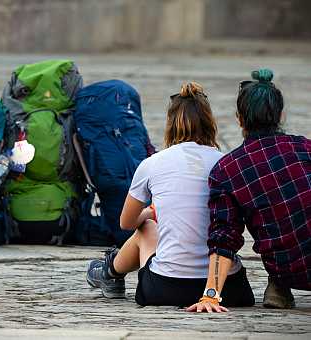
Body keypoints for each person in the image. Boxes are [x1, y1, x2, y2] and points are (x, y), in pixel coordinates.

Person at [86, 82, 255, 308]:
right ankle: (110, 271)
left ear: (170, 125)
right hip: (230, 288)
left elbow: (125, 223)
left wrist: (149, 212)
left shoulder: (152, 164)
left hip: (166, 287)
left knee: (146, 228)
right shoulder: (227, 163)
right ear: (209, 123)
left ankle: (110, 272)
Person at [187, 69, 311, 313]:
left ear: (239, 119)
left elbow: (224, 236)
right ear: (281, 115)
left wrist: (210, 296)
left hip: (291, 272)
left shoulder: (227, 169)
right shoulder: (305, 149)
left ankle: (278, 285)